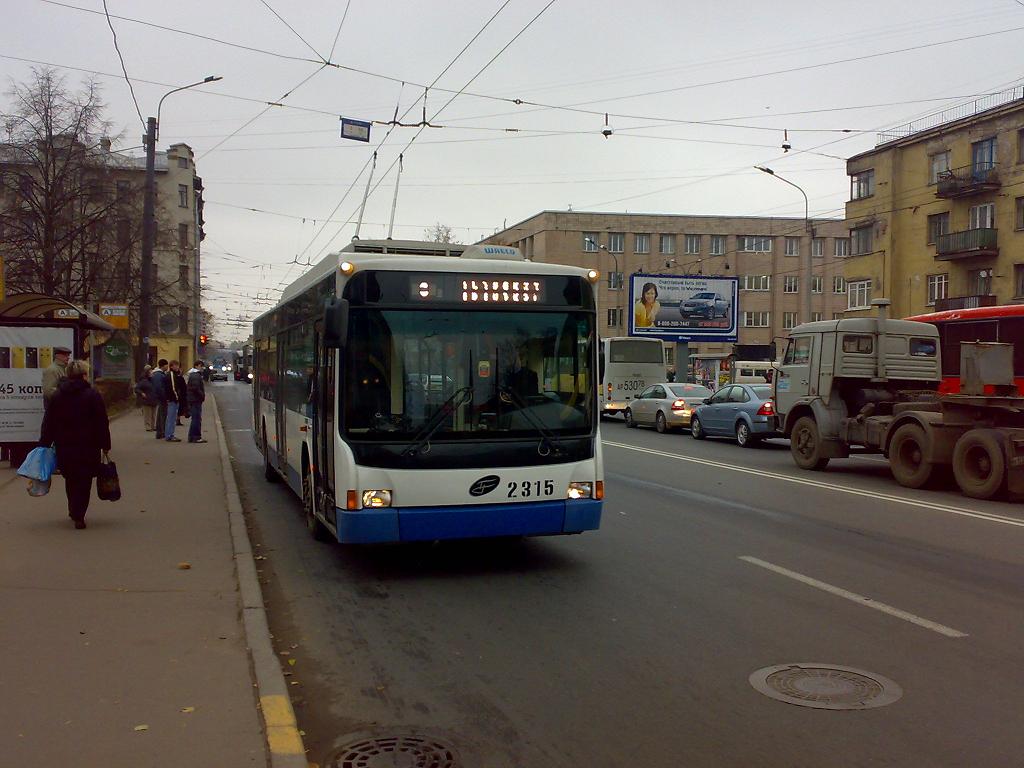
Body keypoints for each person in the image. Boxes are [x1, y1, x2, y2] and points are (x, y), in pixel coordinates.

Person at [39, 359, 111, 529]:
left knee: (70, 478)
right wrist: (105, 444)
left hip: (65, 445)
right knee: (84, 480)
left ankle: (73, 508)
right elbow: (102, 421)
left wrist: (44, 442)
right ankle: (79, 514)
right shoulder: (92, 395)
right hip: (88, 445)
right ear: (84, 375)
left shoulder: (58, 395)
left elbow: (49, 420)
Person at [163, 360, 186, 442]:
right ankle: (169, 435)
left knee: (172, 418)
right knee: (171, 418)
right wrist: (176, 397)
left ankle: (169, 434)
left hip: (173, 399)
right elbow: (173, 388)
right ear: (171, 366)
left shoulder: (174, 375)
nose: (177, 367)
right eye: (176, 365)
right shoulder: (171, 375)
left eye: (178, 365)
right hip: (173, 399)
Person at [186, 360, 207, 443]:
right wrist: (202, 395)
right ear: (197, 366)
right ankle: (196, 437)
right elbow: (195, 388)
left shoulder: (193, 375)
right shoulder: (196, 376)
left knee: (195, 418)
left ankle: (191, 436)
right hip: (195, 399)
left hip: (193, 399)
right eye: (202, 366)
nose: (202, 368)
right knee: (196, 419)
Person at [134, 365, 159, 431]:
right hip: (147, 400)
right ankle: (148, 427)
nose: (152, 373)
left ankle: (153, 426)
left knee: (153, 415)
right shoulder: (144, 381)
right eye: (150, 372)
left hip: (154, 399)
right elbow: (137, 389)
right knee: (147, 415)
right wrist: (142, 393)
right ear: (147, 373)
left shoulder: (153, 381)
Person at [151, 359, 169, 439]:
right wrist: (164, 396)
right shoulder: (159, 375)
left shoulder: (158, 374)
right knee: (162, 415)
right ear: (164, 365)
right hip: (161, 398)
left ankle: (160, 432)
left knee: (161, 415)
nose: (167, 367)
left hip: (159, 397)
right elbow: (159, 387)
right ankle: (161, 432)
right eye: (167, 365)